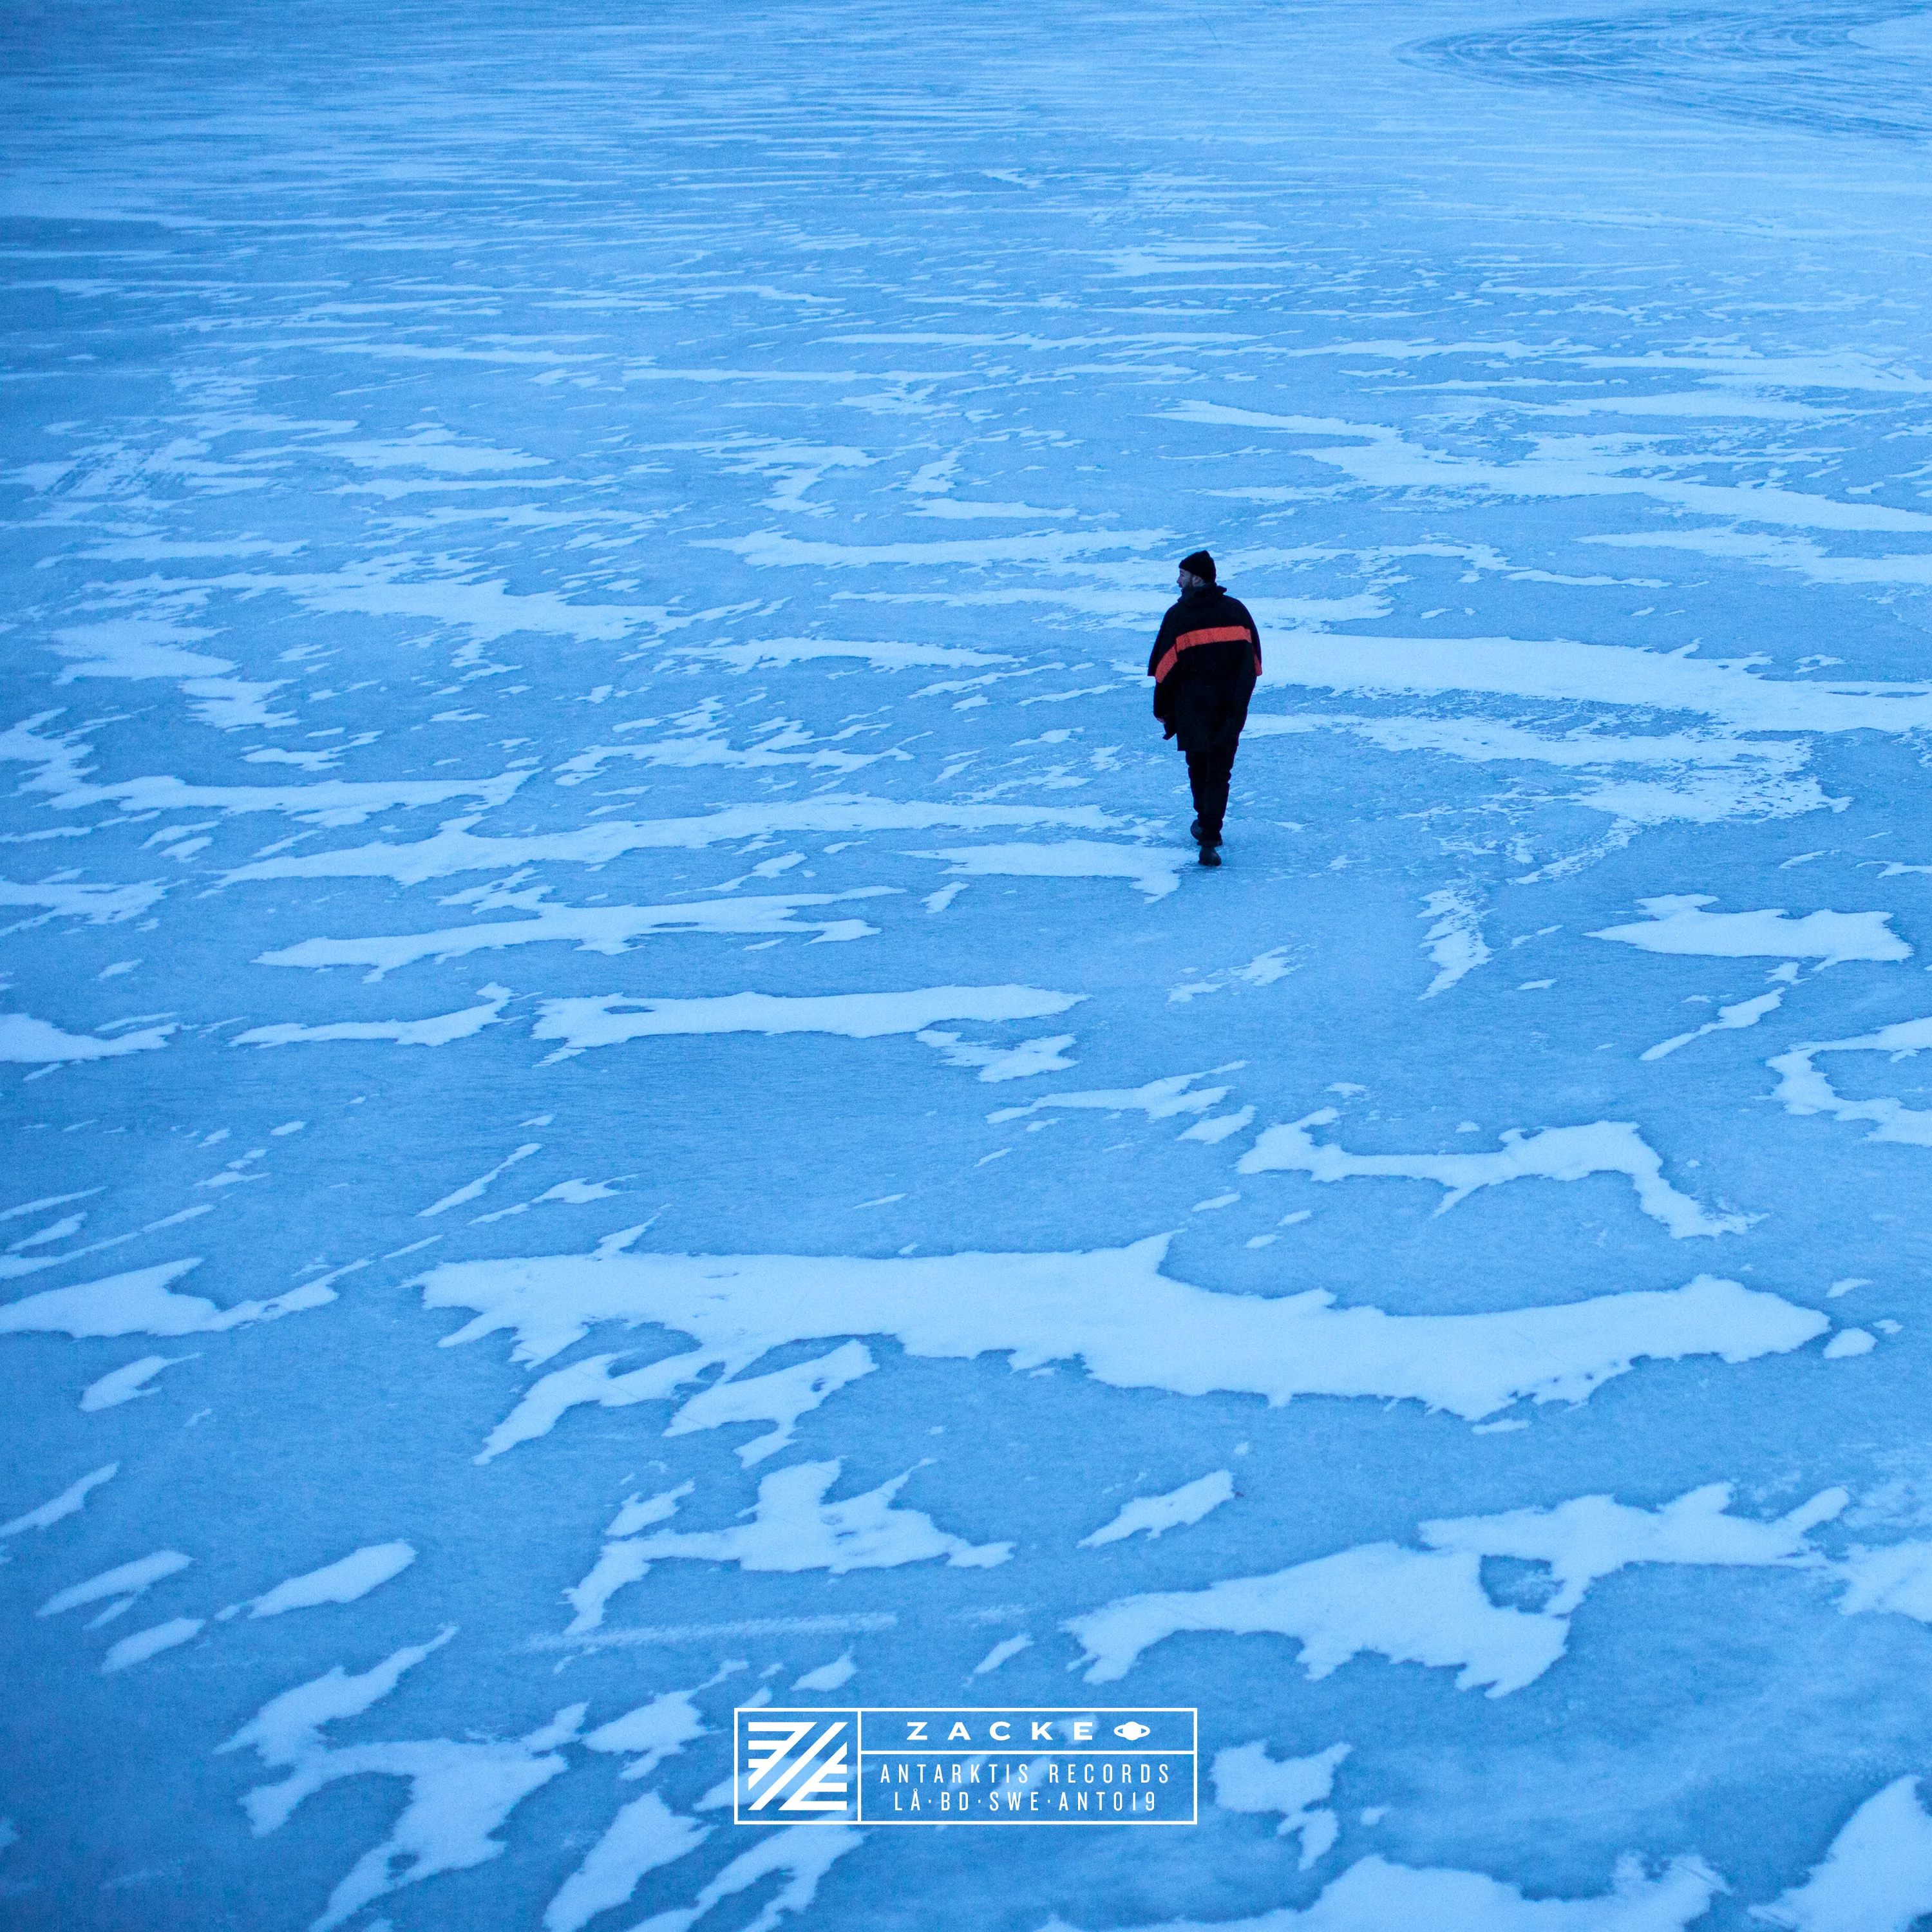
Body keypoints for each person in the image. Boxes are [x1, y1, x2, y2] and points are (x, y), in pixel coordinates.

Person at [1146, 549, 1260, 867]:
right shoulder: (1237, 611)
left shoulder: (1179, 616)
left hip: (1191, 709)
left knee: (1199, 768)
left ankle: (1205, 824)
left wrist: (1161, 709)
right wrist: (1240, 706)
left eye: (1182, 575)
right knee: (1220, 772)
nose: (1178, 581)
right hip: (1230, 708)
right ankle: (1210, 836)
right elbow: (1252, 665)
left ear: (1197, 579)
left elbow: (1164, 670)